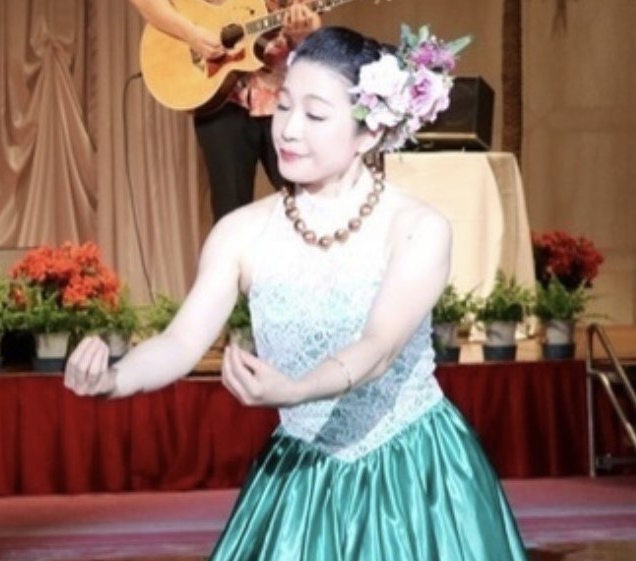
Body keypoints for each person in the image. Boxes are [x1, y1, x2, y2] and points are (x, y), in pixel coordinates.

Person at [65, 25, 528, 560]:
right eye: (283, 106)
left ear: (370, 132)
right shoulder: (241, 232)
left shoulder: (417, 227)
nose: (287, 129)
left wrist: (295, 389)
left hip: (415, 476)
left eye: (315, 115)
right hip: (301, 478)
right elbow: (180, 342)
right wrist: (113, 379)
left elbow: (378, 348)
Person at [128, 0, 321, 220]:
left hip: (283, 99)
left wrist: (303, 35)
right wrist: (191, 34)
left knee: (307, 209)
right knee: (230, 215)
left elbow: (309, 22)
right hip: (223, 98)